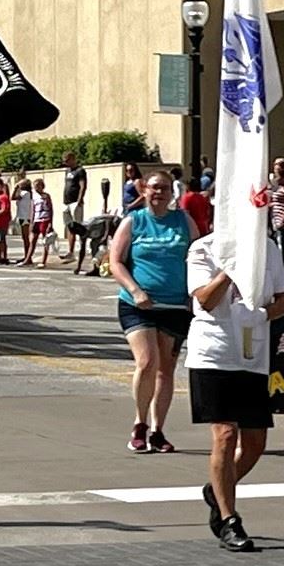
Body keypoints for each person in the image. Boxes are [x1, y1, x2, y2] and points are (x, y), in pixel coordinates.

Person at [188, 229, 284, 551]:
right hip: (214, 352)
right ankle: (228, 519)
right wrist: (229, 269)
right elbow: (205, 299)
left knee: (255, 442)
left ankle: (218, 488)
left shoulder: (268, 248)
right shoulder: (202, 248)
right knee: (224, 433)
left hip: (252, 353)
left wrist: (263, 313)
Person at [110, 173, 198, 454]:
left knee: (165, 370)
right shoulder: (133, 221)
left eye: (165, 188)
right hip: (138, 305)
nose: (159, 192)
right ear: (144, 190)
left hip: (174, 307)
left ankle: (158, 430)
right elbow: (115, 262)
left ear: (173, 193)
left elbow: (198, 257)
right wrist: (135, 290)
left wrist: (193, 293)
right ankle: (140, 424)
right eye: (154, 187)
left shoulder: (183, 221)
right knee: (147, 362)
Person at [60, 151, 88, 261]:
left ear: (72, 159)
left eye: (67, 160)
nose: (65, 163)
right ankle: (70, 252)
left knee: (78, 226)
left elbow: (83, 185)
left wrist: (80, 200)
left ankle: (82, 250)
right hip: (66, 202)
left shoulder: (80, 171)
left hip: (75, 202)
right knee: (69, 226)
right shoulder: (67, 171)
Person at [31, 179, 55, 268]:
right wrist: (32, 221)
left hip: (45, 219)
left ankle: (43, 261)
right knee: (33, 240)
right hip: (37, 219)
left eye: (38, 186)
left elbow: (50, 209)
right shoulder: (34, 196)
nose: (36, 188)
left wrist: (50, 223)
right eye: (35, 186)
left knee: (45, 241)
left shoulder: (46, 196)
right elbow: (33, 209)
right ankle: (28, 258)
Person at [13, 176, 35, 265]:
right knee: (24, 238)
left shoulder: (25, 193)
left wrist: (15, 188)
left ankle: (28, 257)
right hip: (23, 216)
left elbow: (13, 197)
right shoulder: (27, 194)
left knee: (26, 238)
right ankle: (27, 255)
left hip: (25, 217)